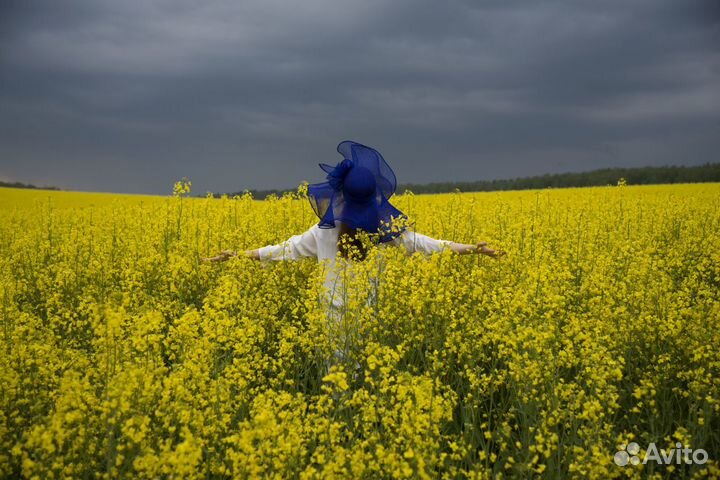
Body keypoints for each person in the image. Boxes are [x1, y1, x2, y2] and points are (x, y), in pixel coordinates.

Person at [202, 140, 505, 370]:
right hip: (371, 325)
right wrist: (471, 250)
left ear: (339, 197)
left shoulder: (324, 232)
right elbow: (426, 245)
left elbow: (281, 251)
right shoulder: (383, 233)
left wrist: (235, 255)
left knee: (339, 391)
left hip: (334, 328)